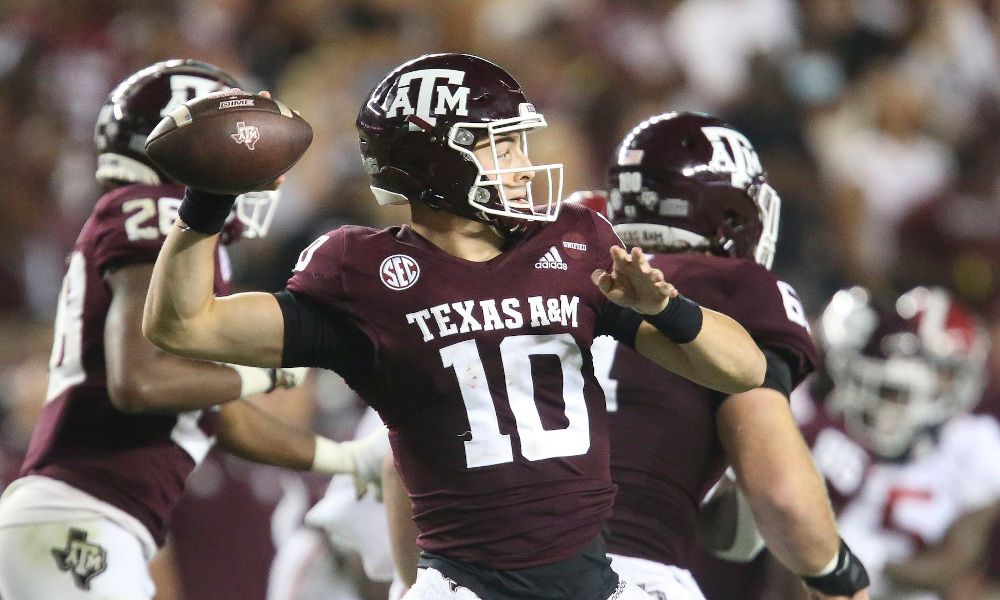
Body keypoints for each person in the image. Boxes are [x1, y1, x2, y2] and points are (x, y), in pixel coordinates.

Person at [142, 52, 766, 600]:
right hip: (462, 585)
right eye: (502, 146)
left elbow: (744, 369)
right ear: (434, 161)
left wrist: (667, 311)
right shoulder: (366, 274)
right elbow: (186, 326)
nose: (525, 165)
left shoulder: (575, 246)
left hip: (594, 581)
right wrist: (206, 202)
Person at [0, 59, 381, 600]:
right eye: (235, 145)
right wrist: (261, 378)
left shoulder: (168, 234)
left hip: (92, 521)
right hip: (80, 516)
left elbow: (212, 414)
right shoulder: (156, 211)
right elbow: (141, 383)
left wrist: (342, 458)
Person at [568, 112, 870, 600]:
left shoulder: (550, 269)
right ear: (733, 216)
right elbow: (780, 494)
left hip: (473, 573)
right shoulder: (736, 288)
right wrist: (840, 577)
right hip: (624, 573)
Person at [798, 285, 1000, 600]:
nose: (948, 385)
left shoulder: (974, 445)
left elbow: (953, 568)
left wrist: (866, 557)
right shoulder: (828, 430)